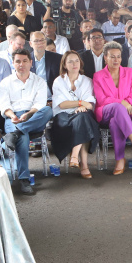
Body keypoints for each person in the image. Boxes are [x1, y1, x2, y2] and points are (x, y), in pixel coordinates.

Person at [0, 49, 53, 195]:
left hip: (34, 116)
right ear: (13, 63)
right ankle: (24, 179)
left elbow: (40, 105)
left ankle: (14, 133)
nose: (21, 64)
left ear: (30, 62)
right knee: (23, 137)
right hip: (13, 117)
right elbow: (4, 107)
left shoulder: (39, 81)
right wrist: (13, 117)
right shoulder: (5, 83)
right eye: (18, 61)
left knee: (48, 110)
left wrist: (28, 114)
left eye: (24, 61)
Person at [93, 42, 132, 175]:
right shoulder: (98, 76)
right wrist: (123, 102)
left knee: (115, 121)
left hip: (125, 113)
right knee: (117, 107)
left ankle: (120, 160)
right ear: (105, 58)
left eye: (118, 56)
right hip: (105, 112)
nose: (116, 60)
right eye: (112, 57)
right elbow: (102, 99)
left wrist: (127, 103)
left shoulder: (130, 72)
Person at [50, 51, 98, 179]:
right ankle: (84, 166)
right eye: (70, 61)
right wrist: (81, 102)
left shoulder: (87, 80)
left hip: (82, 114)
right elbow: (61, 105)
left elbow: (90, 104)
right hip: (63, 116)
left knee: (82, 119)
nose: (74, 64)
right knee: (82, 121)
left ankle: (75, 157)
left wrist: (82, 106)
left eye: (76, 60)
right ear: (64, 65)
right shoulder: (59, 81)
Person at [28, 31, 61, 96]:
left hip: (53, 98)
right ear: (30, 44)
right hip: (33, 99)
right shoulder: (26, 60)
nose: (40, 43)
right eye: (36, 41)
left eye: (42, 40)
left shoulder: (57, 58)